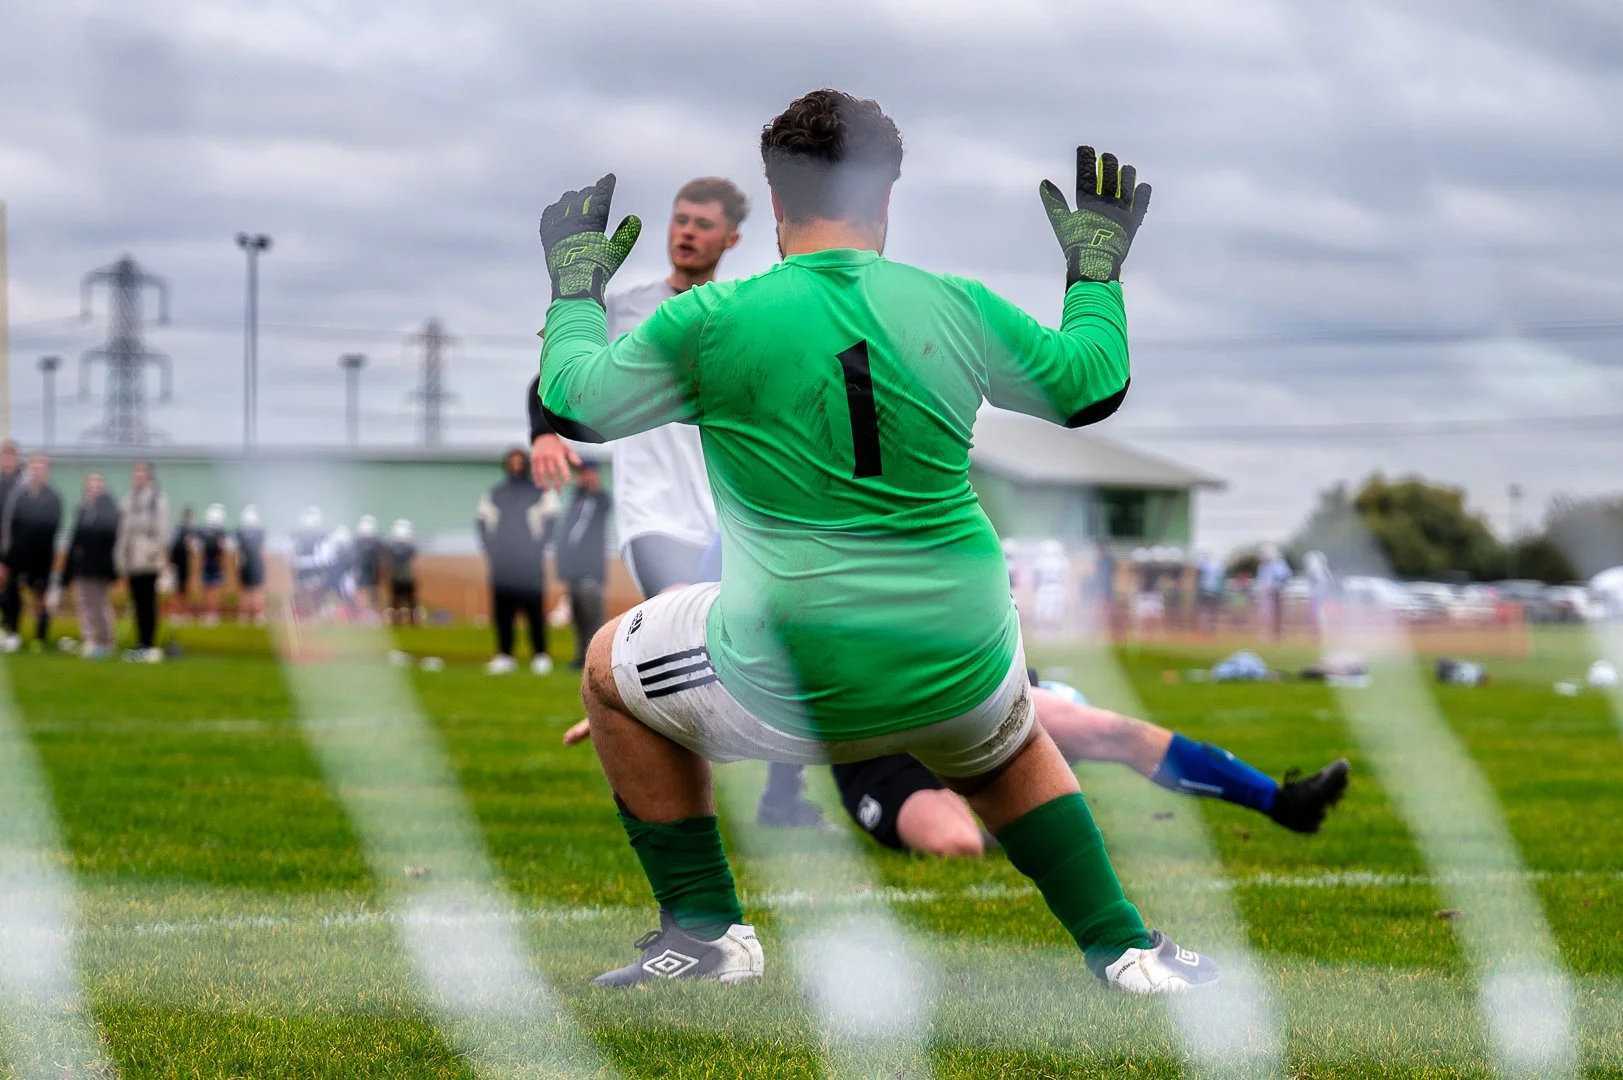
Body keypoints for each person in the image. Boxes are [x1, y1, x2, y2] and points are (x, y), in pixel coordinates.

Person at [537, 90, 1212, 992]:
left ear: (773, 204)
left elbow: (573, 402)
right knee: (1006, 741)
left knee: (606, 670)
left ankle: (706, 935)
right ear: (884, 197)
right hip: (962, 655)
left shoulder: (710, 320)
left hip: (796, 668)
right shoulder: (956, 306)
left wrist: (575, 292)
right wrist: (1094, 274)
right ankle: (1124, 949)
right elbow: (1091, 385)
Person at [831, 680, 1349, 856]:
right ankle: (1014, 800)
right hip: (882, 743)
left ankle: (1282, 803)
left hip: (953, 689)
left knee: (1112, 730)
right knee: (955, 842)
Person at [477, 447, 557, 675]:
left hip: (530, 561)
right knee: (502, 609)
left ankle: (540, 654)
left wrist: (537, 547)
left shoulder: (539, 491)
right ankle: (505, 655)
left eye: (519, 461)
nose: (516, 465)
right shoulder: (495, 493)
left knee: (534, 607)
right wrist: (492, 549)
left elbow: (551, 519)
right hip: (502, 562)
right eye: (512, 461)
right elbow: (482, 522)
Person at [0, 452, 64, 652]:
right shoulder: (19, 496)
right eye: (33, 467)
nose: (37, 471)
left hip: (41, 556)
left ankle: (40, 637)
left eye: (41, 467)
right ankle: (13, 632)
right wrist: (8, 554)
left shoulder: (53, 497)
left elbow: (52, 527)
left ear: (47, 470)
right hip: (18, 555)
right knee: (12, 593)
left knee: (40, 597)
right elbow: (11, 525)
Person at [554, 460, 611, 670]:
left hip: (591, 569)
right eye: (583, 473)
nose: (586, 477)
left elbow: (597, 511)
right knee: (577, 615)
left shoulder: (600, 499)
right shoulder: (573, 499)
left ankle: (598, 658)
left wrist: (590, 489)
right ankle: (581, 657)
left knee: (592, 615)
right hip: (573, 569)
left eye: (590, 473)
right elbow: (565, 533)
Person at [61, 472, 121, 659]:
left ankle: (106, 639)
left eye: (96, 486)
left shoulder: (110, 510)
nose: (93, 490)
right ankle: (89, 639)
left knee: (100, 603)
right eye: (90, 487)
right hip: (83, 565)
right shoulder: (82, 511)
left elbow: (112, 541)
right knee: (84, 603)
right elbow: (75, 539)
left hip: (100, 567)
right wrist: (69, 569)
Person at [114, 461, 169, 662]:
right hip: (131, 560)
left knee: (148, 603)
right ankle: (141, 643)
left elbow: (162, 531)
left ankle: (149, 644)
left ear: (149, 475)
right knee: (136, 603)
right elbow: (122, 531)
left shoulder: (157, 500)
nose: (138, 475)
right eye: (135, 471)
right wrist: (120, 558)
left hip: (148, 560)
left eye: (142, 472)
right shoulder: (128, 500)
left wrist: (152, 552)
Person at [0, 441, 23, 642]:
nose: (6, 460)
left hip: (15, 548)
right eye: (4, 456)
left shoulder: (22, 484)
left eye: (10, 456)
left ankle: (12, 630)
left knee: (12, 589)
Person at [196, 503, 230, 626]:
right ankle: (213, 613)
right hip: (216, 565)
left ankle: (209, 613)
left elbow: (200, 550)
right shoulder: (220, 532)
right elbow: (223, 549)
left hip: (207, 564)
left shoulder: (204, 531)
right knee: (214, 590)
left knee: (208, 590)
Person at [234, 506, 267, 625]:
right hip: (256, 564)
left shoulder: (240, 532)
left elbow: (237, 552)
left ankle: (244, 615)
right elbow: (262, 551)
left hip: (245, 564)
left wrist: (238, 564)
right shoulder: (260, 532)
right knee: (256, 590)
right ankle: (258, 614)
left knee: (245, 590)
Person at [383, 519, 419, 626]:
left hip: (398, 577)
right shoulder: (409, 548)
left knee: (397, 601)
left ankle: (397, 621)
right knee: (408, 601)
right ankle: (412, 622)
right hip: (407, 577)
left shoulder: (393, 548)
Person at [1254, 543, 1292, 640]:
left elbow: (1284, 576)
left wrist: (1277, 585)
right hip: (1265, 592)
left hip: (1276, 592)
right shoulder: (1262, 566)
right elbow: (1260, 579)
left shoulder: (1279, 564)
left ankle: (1277, 633)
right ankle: (1266, 633)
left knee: (1277, 614)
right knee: (1265, 612)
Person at [167, 505, 195, 622]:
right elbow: (189, 546)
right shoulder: (186, 529)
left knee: (179, 588)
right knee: (181, 588)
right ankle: (178, 612)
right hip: (181, 562)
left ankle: (178, 612)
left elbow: (170, 545)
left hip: (176, 561)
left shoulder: (177, 528)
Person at [353, 515, 383, 616]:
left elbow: (379, 558)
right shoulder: (358, 541)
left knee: (371, 592)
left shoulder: (375, 542)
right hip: (363, 571)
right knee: (363, 591)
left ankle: (371, 612)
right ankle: (363, 612)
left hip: (371, 572)